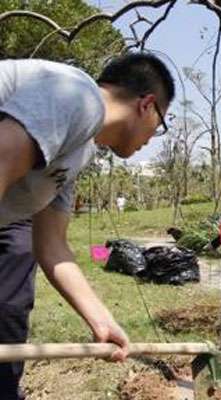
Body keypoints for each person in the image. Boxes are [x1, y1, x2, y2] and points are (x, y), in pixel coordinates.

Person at [0, 52, 175, 399]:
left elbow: (52, 246)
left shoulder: (80, 151)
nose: (153, 138)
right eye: (161, 123)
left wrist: (101, 320)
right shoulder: (79, 96)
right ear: (147, 105)